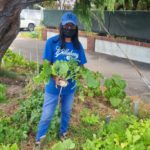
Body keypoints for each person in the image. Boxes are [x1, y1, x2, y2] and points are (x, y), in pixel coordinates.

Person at [35, 12, 87, 148]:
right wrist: (54, 77)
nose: (68, 28)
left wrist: (77, 74)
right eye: (66, 25)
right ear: (61, 26)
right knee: (47, 114)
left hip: (70, 88)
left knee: (66, 112)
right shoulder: (52, 42)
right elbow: (46, 65)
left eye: (72, 26)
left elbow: (81, 66)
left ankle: (63, 133)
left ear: (75, 28)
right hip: (53, 87)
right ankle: (39, 139)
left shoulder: (78, 46)